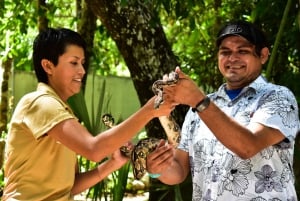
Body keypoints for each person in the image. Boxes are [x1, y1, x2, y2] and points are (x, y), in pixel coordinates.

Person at [2, 28, 176, 200]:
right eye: (74, 62)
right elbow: (93, 149)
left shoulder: (61, 111)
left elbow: (69, 186)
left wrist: (113, 163)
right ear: (48, 66)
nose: (82, 71)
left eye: (82, 63)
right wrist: (149, 111)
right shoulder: (41, 102)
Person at [146, 20, 300, 200]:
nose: (232, 58)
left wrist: (197, 99)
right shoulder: (199, 109)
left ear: (263, 55)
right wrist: (156, 168)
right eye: (225, 52)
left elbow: (247, 146)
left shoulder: (279, 97)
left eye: (242, 51)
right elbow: (179, 170)